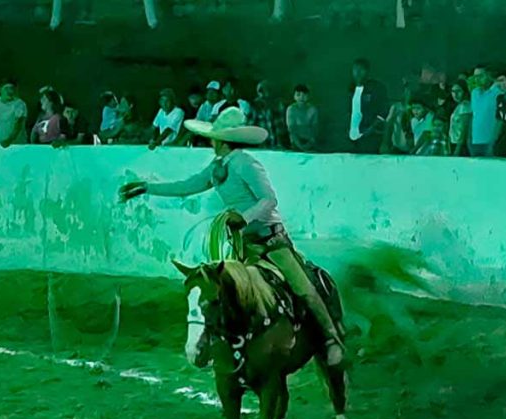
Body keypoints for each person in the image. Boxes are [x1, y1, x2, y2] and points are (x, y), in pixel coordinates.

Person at [118, 107, 346, 367]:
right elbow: (187, 186)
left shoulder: (247, 164)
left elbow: (269, 199)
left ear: (222, 140)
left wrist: (245, 218)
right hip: (244, 245)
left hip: (271, 242)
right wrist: (148, 188)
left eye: (214, 137)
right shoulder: (218, 167)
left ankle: (330, 339)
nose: (211, 141)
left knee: (303, 287)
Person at [348, 58, 390, 154]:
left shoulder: (376, 88)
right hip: (352, 137)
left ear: (367, 71)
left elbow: (383, 112)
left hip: (370, 136)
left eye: (361, 69)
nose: (357, 72)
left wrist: (370, 129)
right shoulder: (350, 90)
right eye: (355, 69)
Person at [286, 84, 319, 152]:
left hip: (309, 142)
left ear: (308, 96)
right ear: (294, 96)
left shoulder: (313, 109)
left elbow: (314, 129)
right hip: (295, 143)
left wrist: (310, 143)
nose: (301, 97)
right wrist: (301, 147)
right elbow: (292, 130)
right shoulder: (291, 109)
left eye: (304, 95)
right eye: (298, 95)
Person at [448, 79, 472, 156]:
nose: (455, 94)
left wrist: (458, 148)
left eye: (458, 91)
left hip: (460, 145)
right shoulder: (458, 106)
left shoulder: (465, 106)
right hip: (454, 142)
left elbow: (464, 129)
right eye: (453, 91)